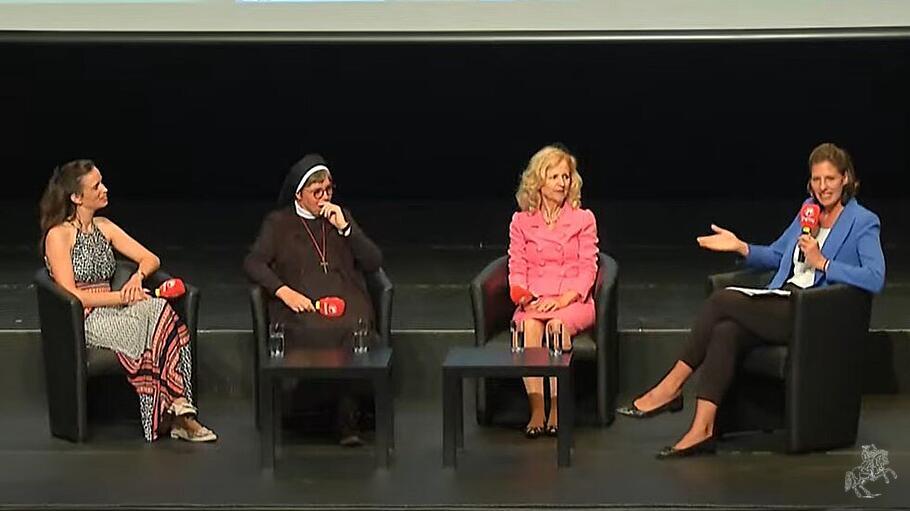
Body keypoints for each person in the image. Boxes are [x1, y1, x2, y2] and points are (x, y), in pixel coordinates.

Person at [616, 142, 886, 459]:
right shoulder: (808, 211)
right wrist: (740, 246)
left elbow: (875, 277)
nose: (822, 187)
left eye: (830, 179)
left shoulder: (862, 221)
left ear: (845, 179)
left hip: (815, 314)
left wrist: (823, 262)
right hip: (784, 299)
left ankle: (671, 387)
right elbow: (777, 254)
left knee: (722, 301)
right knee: (725, 331)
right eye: (816, 179)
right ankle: (701, 429)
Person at [40, 159, 216, 443]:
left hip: (117, 310)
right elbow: (73, 295)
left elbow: (151, 258)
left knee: (158, 307)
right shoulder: (58, 235)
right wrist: (122, 296)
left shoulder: (104, 227)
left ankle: (177, 408)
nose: (105, 189)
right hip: (85, 318)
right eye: (96, 186)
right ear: (76, 197)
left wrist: (137, 278)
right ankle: (178, 412)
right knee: (152, 322)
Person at [244, 153, 382, 446]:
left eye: (328, 190)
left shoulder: (340, 217)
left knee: (353, 329)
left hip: (344, 302)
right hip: (301, 306)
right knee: (315, 329)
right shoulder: (278, 223)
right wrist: (284, 291)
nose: (324, 198)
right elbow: (253, 263)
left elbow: (373, 262)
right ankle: (314, 415)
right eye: (317, 192)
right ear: (299, 194)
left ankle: (347, 420)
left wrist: (347, 229)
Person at [508, 145, 599, 438]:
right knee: (529, 326)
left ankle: (558, 407)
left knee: (556, 327)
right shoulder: (521, 221)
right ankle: (537, 408)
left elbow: (589, 268)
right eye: (555, 176)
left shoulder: (583, 219)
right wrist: (524, 297)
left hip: (573, 300)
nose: (562, 183)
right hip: (535, 300)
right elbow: (516, 266)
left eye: (566, 177)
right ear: (538, 181)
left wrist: (563, 299)